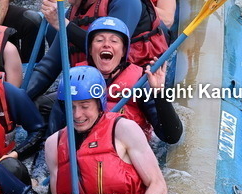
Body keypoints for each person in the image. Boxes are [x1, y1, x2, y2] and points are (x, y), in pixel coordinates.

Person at [14, 68, 169, 194]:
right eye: (71, 107)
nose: (77, 115)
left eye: (85, 106)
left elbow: (159, 186)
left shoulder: (123, 129)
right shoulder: (54, 143)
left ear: (99, 103)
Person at [25, 0, 167, 99]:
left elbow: (108, 48)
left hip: (134, 80)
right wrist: (20, 98)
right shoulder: (74, 11)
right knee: (53, 32)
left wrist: (62, 24)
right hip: (95, 80)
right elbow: (49, 67)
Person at [53, 16, 182, 144]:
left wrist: (159, 93)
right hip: (86, 153)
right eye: (99, 40)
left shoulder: (141, 84)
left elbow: (171, 137)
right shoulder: (72, 79)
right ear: (90, 50)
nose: (106, 45)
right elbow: (56, 136)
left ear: (123, 51)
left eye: (114, 41)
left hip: (127, 152)